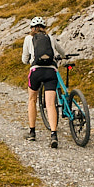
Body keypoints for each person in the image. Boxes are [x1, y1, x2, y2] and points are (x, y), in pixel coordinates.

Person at [22, 16, 67, 148]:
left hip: (36, 72)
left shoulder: (28, 39)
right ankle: (53, 135)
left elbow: (24, 59)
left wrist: (28, 59)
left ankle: (32, 132)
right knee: (51, 104)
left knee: (32, 100)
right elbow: (62, 52)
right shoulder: (51, 38)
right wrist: (62, 57)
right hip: (51, 72)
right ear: (44, 28)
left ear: (32, 28)